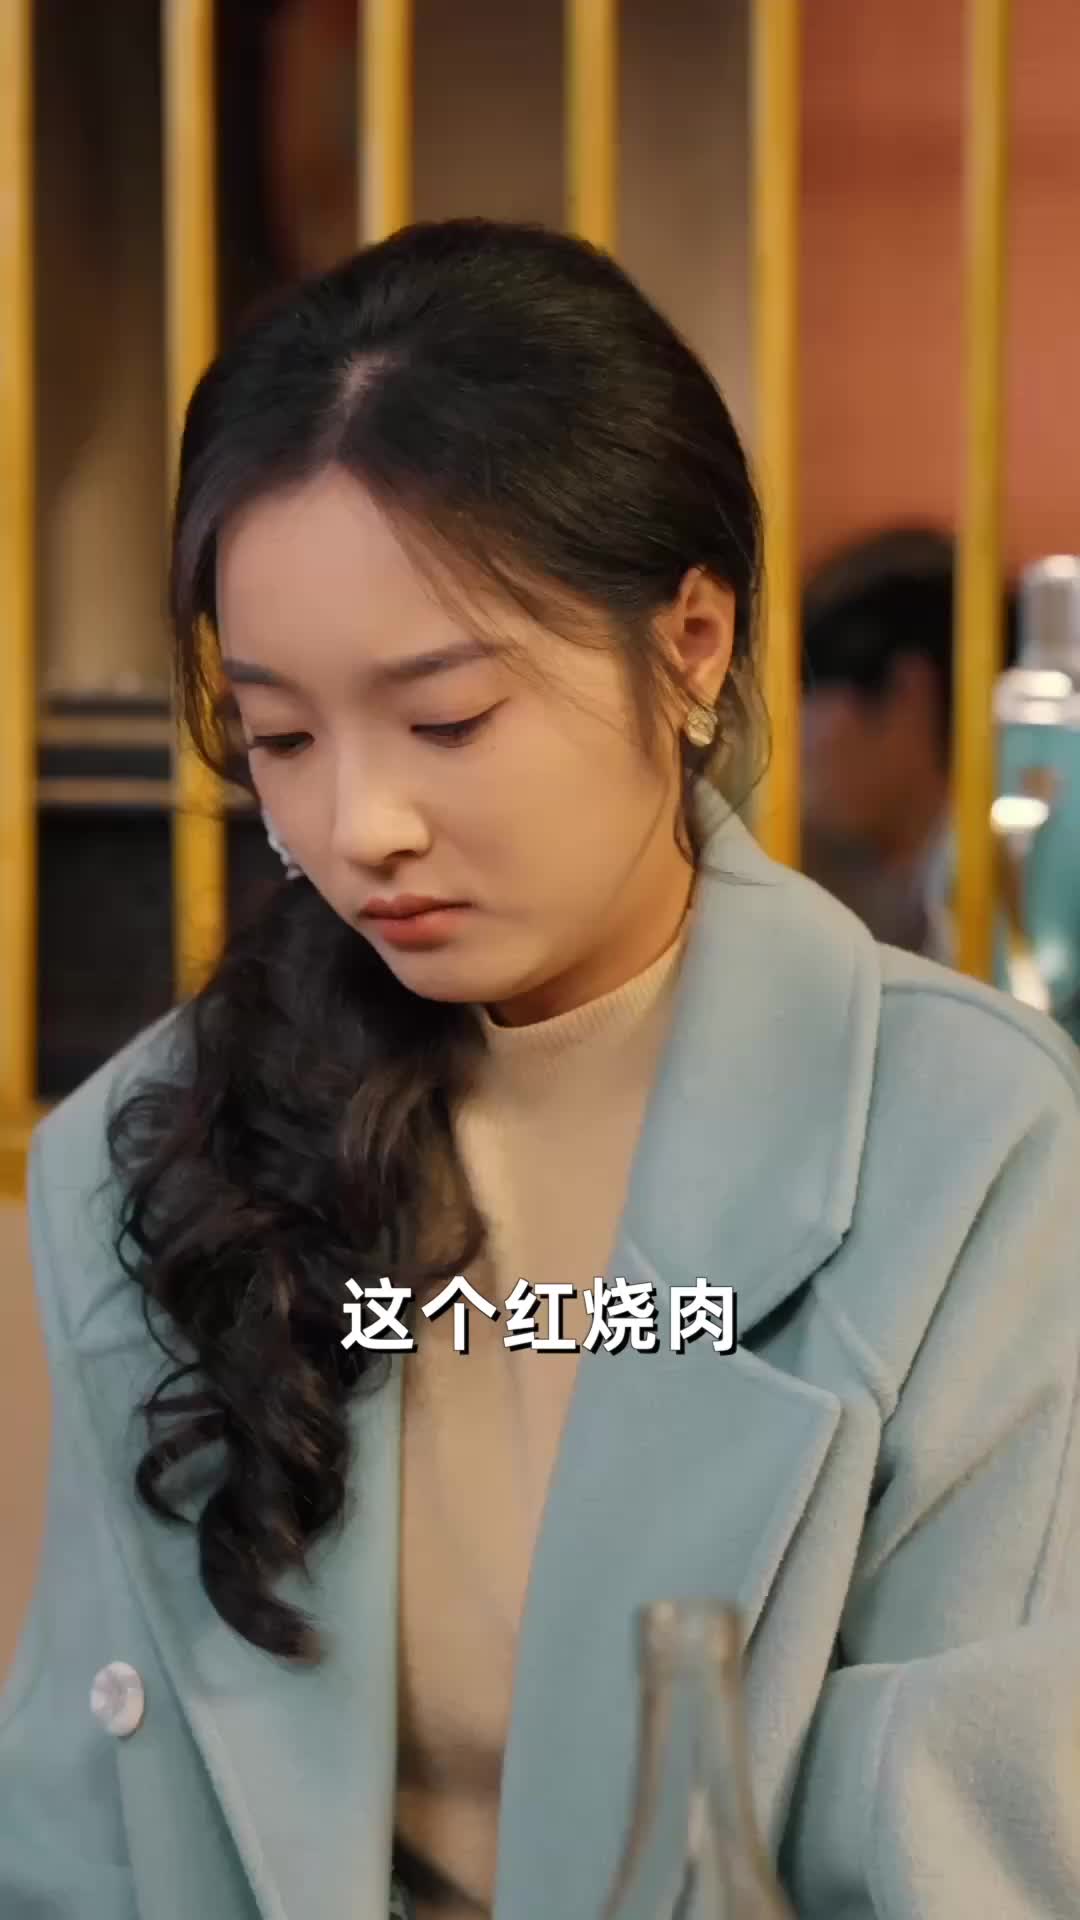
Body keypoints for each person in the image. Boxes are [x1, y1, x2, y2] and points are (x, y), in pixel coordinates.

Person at [2, 219, 1079, 1920]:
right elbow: (75, 1838)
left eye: (447, 720)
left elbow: (971, 1854)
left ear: (694, 642)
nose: (360, 823)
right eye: (282, 736)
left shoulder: (971, 1150)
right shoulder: (151, 1144)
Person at [800, 527, 1016, 960]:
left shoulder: (996, 880)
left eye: (809, 690)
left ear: (906, 693)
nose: (796, 737)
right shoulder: (941, 878)